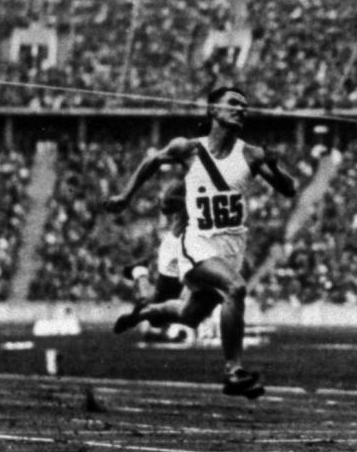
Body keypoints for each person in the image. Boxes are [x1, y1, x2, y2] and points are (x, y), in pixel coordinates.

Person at [103, 86, 296, 399]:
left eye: (245, 106)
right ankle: (233, 370)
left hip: (231, 248)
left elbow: (288, 190)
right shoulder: (189, 148)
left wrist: (274, 165)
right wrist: (125, 197)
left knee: (189, 315)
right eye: (233, 103)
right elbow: (152, 161)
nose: (240, 110)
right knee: (236, 288)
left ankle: (142, 313)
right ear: (212, 110)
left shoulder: (251, 154)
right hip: (197, 244)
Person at [113, 180, 192, 341]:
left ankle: (139, 272)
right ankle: (139, 273)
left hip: (194, 250)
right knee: (157, 315)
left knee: (161, 312)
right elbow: (166, 204)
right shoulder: (192, 183)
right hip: (177, 252)